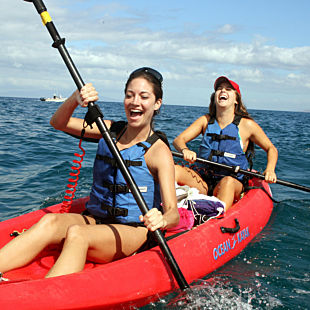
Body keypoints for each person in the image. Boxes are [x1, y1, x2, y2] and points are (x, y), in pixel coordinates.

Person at [0, 67, 179, 279]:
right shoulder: (108, 130)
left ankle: (44, 297)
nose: (134, 102)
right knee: (50, 223)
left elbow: (173, 214)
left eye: (144, 96)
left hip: (133, 230)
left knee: (78, 234)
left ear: (157, 103)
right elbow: (58, 123)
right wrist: (75, 99)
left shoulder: (159, 151)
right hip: (96, 219)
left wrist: (162, 220)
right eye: (129, 95)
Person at [173, 76, 278, 211]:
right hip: (203, 180)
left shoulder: (247, 125)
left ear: (236, 100)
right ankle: (167, 207)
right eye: (219, 89)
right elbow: (178, 140)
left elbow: (271, 148)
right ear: (214, 96)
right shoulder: (205, 120)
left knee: (227, 183)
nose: (223, 91)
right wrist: (184, 150)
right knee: (174, 169)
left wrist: (270, 170)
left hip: (231, 181)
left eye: (228, 89)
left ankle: (213, 216)